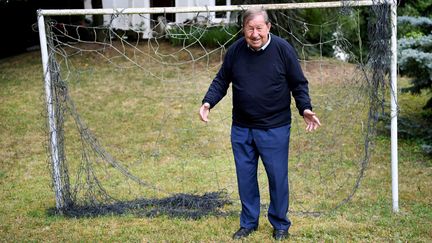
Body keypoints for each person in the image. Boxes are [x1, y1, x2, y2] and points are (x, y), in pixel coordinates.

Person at [199, 7, 321, 240]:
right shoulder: (235, 51)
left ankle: (280, 224)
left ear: (268, 28)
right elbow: (222, 80)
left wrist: (304, 107)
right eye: (249, 28)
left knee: (277, 178)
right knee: (245, 177)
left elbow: (298, 83)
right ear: (243, 29)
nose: (255, 34)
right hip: (242, 128)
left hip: (274, 128)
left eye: (259, 28)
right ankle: (248, 222)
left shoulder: (283, 49)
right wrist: (208, 102)